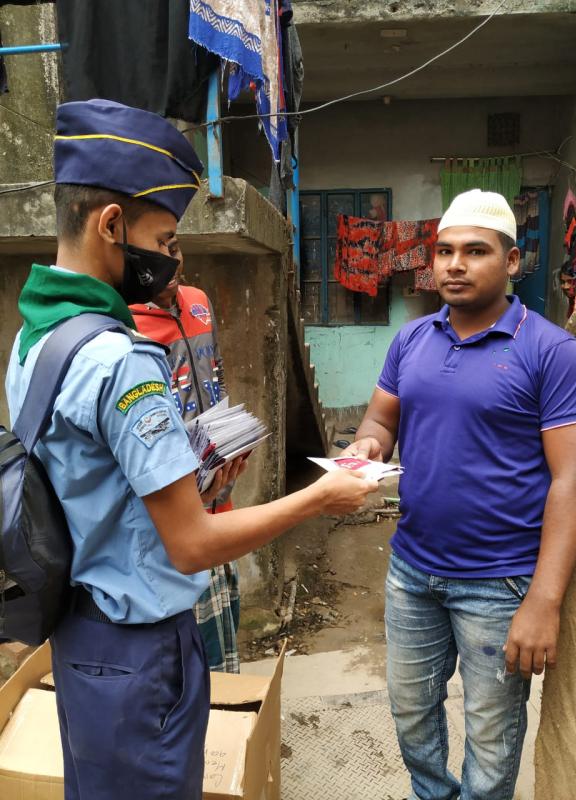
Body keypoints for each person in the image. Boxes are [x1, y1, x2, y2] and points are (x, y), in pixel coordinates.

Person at [5, 98, 378, 800]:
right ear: (112, 224)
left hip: (79, 638)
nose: (170, 257)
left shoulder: (35, 338)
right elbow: (192, 546)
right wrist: (318, 497)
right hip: (140, 654)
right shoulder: (121, 359)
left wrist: (196, 483)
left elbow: (92, 493)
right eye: (164, 236)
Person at [342, 189, 576, 800]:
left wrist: (545, 600)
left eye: (475, 251)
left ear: (512, 262)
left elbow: (574, 481)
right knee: (411, 715)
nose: (454, 265)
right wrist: (366, 448)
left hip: (501, 583)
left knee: (491, 736)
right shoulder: (413, 340)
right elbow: (380, 422)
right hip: (411, 571)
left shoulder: (553, 353)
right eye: (445, 251)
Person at [130, 251, 243, 673]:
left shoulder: (198, 300)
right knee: (192, 644)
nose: (173, 261)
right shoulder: (125, 323)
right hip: (177, 502)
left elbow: (217, 374)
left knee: (225, 615)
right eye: (160, 249)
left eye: (176, 247)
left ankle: (227, 723)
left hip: (219, 487)